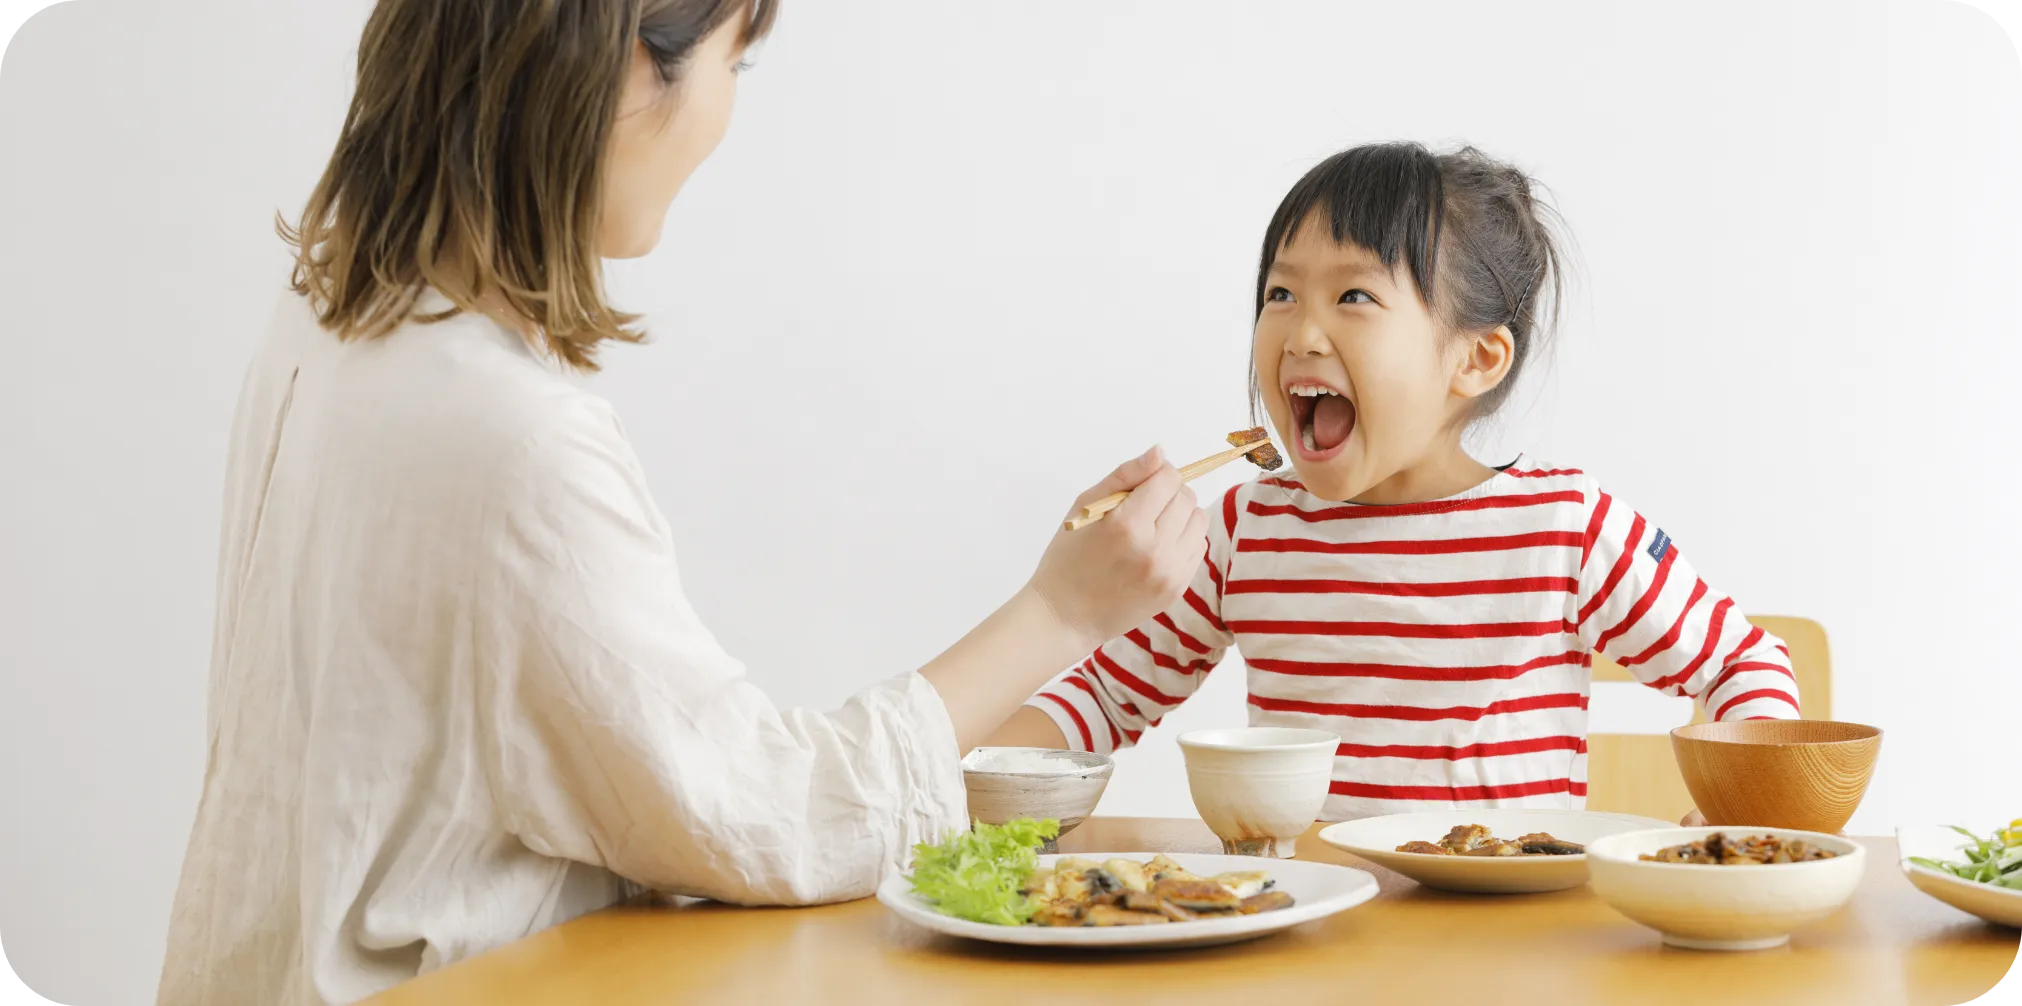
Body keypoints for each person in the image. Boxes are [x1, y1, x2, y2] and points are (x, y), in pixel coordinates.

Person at [157, 2, 1209, 1003]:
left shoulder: (329, 331)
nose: (726, 113)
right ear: (621, 62)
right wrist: (1062, 612)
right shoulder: (516, 442)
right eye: (731, 63)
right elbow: (765, 814)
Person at [989, 142, 1799, 823]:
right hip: (1310, 933)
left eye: (1353, 296)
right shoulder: (1245, 533)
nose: (1302, 333)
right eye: (1280, 293)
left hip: (1508, 947)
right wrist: (946, 784)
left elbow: (1745, 665)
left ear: (1473, 358)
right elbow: (1099, 701)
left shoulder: (1566, 527)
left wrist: (1738, 806)